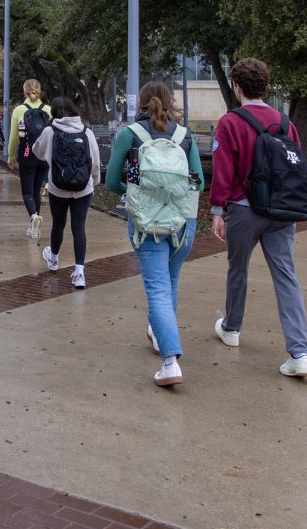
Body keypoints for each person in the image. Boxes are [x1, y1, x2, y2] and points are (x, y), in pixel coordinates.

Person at [210, 58, 307, 378]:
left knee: (237, 270)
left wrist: (217, 210)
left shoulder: (230, 122)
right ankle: (300, 352)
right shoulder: (285, 123)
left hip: (243, 209)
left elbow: (223, 171)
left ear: (237, 87)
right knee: (286, 276)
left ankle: (232, 327)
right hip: (281, 210)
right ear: (265, 86)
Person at [105, 82, 202, 386]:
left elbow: (110, 182)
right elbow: (197, 182)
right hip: (182, 221)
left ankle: (170, 361)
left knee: (157, 288)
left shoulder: (129, 134)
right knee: (170, 282)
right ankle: (160, 337)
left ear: (142, 103)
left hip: (147, 223)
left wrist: (134, 194)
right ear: (170, 102)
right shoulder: (185, 136)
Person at [32, 97, 101, 288]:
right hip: (83, 188)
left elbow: (36, 151)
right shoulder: (87, 132)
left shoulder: (49, 131)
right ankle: (79, 273)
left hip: (58, 187)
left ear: (53, 113)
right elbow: (95, 162)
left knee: (58, 223)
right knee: (79, 227)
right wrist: (93, 182)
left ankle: (53, 259)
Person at [7, 79, 52, 239]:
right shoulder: (48, 109)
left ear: (24, 91)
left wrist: (11, 156)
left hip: (26, 155)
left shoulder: (19, 110)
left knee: (27, 191)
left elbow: (13, 138)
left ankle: (33, 217)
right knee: (36, 191)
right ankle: (34, 226)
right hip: (44, 156)